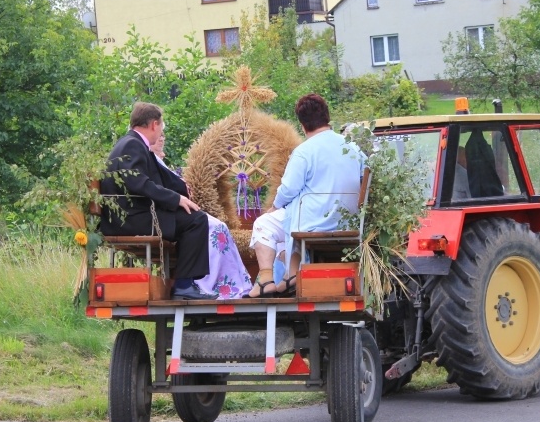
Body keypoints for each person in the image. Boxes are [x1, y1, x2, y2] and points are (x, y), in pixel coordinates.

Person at [247, 93, 365, 298]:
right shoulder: (353, 147)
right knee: (287, 223)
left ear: (302, 125)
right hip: (349, 221)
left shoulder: (304, 151)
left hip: (314, 221)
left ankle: (266, 280)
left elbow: (289, 189)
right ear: (328, 118)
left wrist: (275, 205)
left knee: (265, 224)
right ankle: (290, 277)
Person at [99, 101, 216, 300]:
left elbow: (156, 178)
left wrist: (180, 192)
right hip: (130, 220)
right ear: (154, 124)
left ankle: (184, 283)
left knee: (191, 217)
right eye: (161, 126)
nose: (160, 130)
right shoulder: (132, 145)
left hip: (131, 215)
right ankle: (184, 285)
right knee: (195, 221)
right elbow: (137, 182)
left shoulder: (132, 143)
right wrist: (176, 199)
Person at [149, 133, 252, 299]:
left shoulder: (158, 160)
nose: (162, 138)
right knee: (214, 228)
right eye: (158, 135)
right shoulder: (150, 158)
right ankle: (208, 284)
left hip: (177, 210)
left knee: (218, 226)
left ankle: (232, 282)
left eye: (163, 135)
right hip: (168, 213)